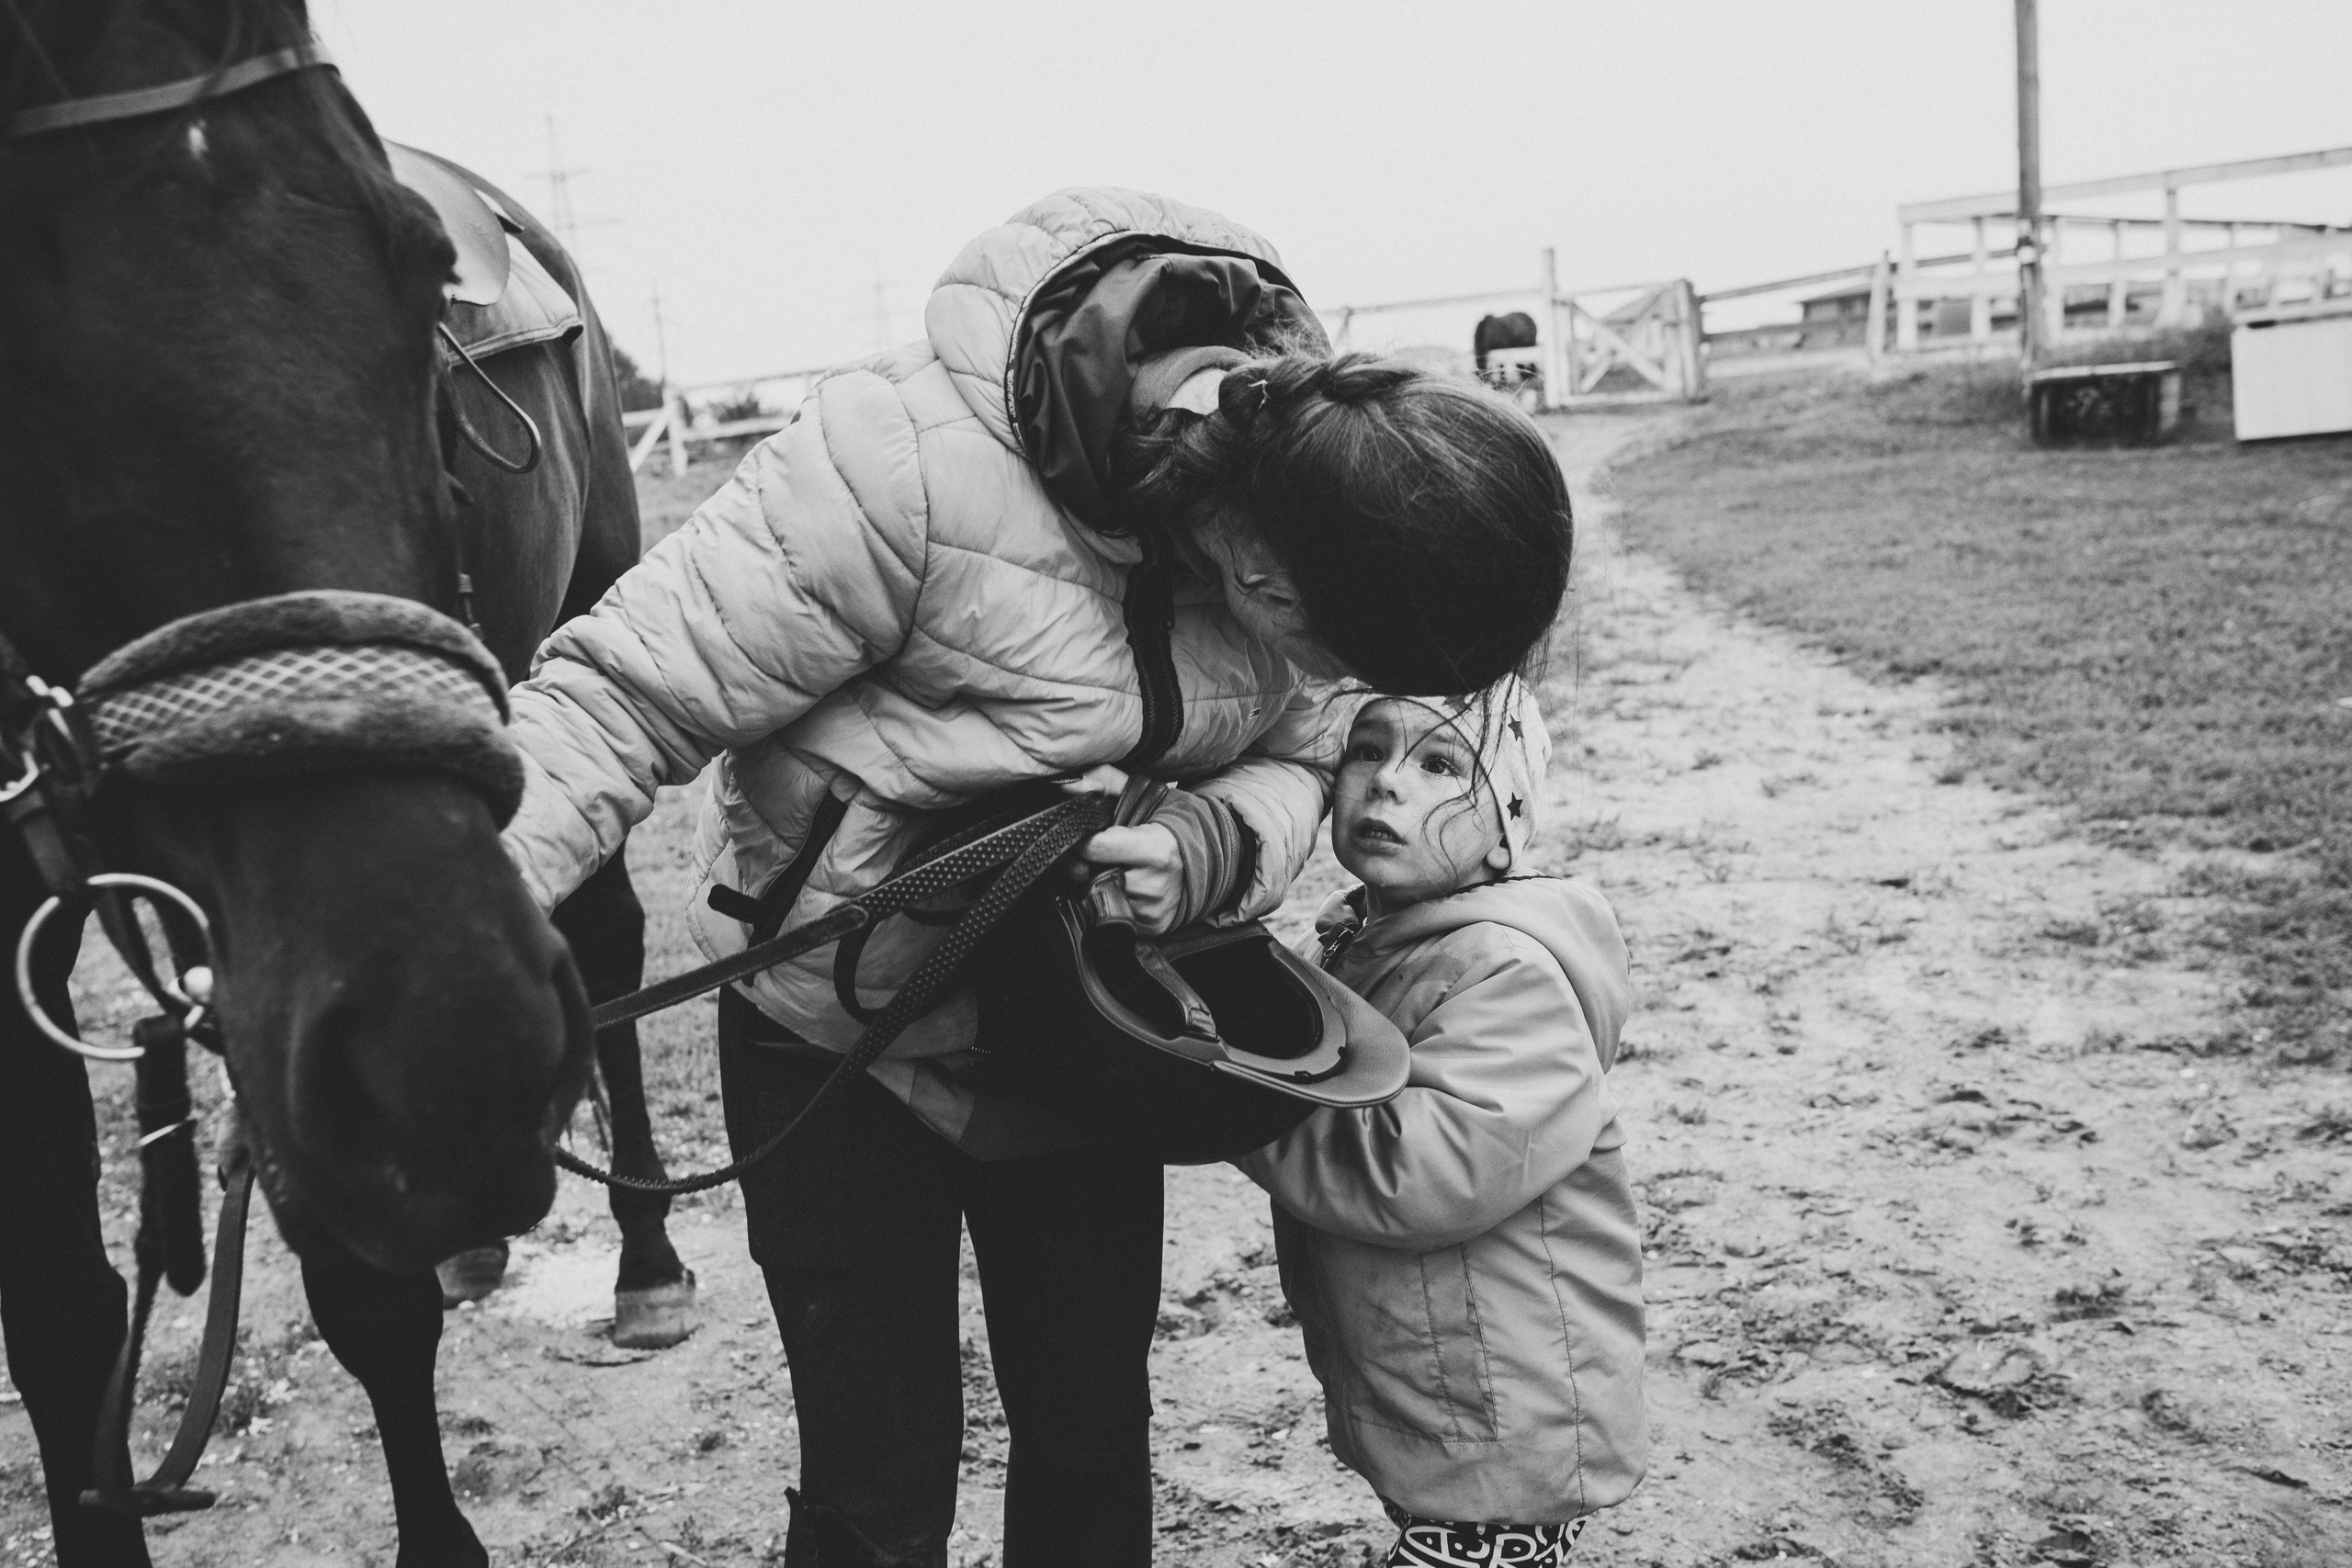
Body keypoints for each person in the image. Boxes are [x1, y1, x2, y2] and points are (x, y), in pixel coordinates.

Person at [497, 187, 1575, 1567]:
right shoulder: (900, 461)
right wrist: (445, 918)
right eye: (1333, 653)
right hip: (840, 1045)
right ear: (1270, 577)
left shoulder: (1317, 527)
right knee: (874, 1476)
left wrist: (1205, 845)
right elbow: (619, 695)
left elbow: (1303, 755)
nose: (1332, 688)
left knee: (1088, 1441)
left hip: (1092, 1035)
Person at [1238, 682, 1645, 1566]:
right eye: (1366, 750)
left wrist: (1231, 1102)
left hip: (1507, 1411)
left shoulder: (1506, 973)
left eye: (1440, 765)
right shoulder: (1360, 941)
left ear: (1506, 832)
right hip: (1440, 1387)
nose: (1388, 783)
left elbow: (1418, 1172)